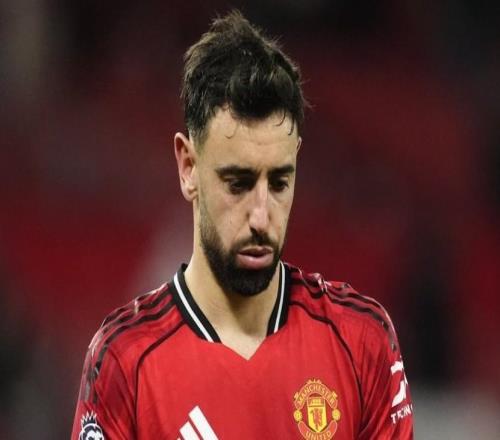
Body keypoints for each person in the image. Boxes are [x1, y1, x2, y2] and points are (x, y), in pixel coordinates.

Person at [72, 10, 414, 440]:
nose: (261, 216)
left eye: (280, 182)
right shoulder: (126, 362)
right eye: (238, 183)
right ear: (188, 167)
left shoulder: (361, 343)